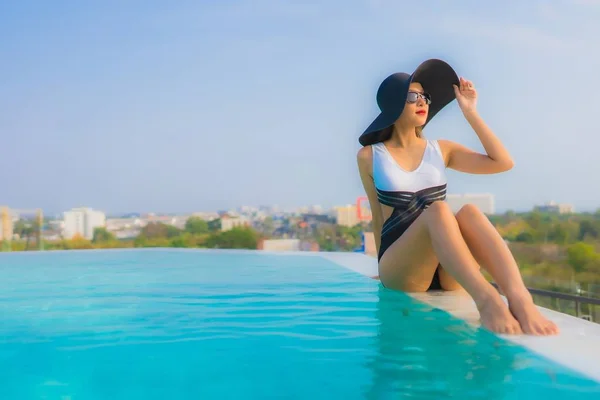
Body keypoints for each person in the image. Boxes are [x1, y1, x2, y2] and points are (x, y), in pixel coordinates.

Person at [356, 58, 558, 336]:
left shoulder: (441, 150)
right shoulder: (370, 156)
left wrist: (470, 112)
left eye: (424, 96)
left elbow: (502, 162)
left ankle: (519, 298)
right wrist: (384, 266)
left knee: (469, 212)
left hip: (449, 267)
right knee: (438, 211)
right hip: (403, 269)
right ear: (394, 104)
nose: (423, 101)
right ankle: (487, 301)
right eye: (413, 96)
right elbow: (378, 217)